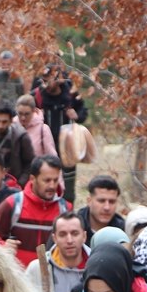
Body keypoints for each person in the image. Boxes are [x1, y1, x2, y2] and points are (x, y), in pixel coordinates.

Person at [0, 155, 71, 267]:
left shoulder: (65, 209)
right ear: (32, 179)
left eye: (55, 180)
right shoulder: (12, 205)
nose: (52, 185)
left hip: (52, 277)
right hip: (18, 278)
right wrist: (4, 246)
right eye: (47, 180)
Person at [32, 63, 87, 201]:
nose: (46, 85)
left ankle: (67, 217)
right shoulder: (36, 96)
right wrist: (36, 116)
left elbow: (83, 111)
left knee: (67, 192)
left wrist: (77, 115)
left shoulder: (71, 94)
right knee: (44, 189)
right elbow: (21, 115)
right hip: (43, 150)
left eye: (49, 80)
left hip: (67, 150)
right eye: (43, 80)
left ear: (59, 79)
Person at [24, 211, 91, 292]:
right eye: (63, 234)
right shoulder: (37, 268)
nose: (69, 240)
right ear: (54, 239)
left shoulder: (97, 266)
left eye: (75, 233)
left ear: (84, 236)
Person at [77, 175, 126, 244]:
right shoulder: (74, 228)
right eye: (101, 201)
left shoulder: (123, 231)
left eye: (112, 201)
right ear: (89, 201)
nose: (107, 207)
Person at [15, 94, 58, 159]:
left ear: (34, 111)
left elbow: (51, 156)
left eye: (27, 114)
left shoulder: (43, 129)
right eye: (20, 113)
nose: (23, 118)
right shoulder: (12, 126)